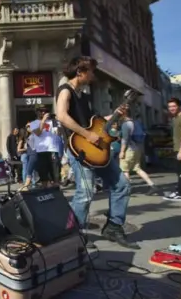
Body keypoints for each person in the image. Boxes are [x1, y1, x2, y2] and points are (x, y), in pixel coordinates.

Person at [55, 56, 138, 250]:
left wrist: (116, 115)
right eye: (91, 71)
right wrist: (86, 134)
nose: (93, 75)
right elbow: (61, 115)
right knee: (85, 192)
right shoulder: (65, 90)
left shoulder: (84, 96)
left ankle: (114, 227)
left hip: (98, 150)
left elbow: (96, 124)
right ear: (80, 72)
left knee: (122, 185)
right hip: (80, 150)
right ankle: (74, 236)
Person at [119, 109, 159, 195]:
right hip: (137, 148)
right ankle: (152, 185)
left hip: (128, 149)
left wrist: (122, 151)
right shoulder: (135, 122)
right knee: (137, 168)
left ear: (124, 114)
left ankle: (126, 190)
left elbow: (125, 139)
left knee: (124, 170)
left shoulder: (125, 124)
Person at [29, 106, 61, 187]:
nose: (43, 112)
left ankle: (57, 190)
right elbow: (38, 133)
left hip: (53, 149)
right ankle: (45, 190)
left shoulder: (53, 121)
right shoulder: (33, 123)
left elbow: (58, 133)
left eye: (45, 111)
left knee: (55, 173)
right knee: (43, 173)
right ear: (37, 112)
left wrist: (57, 120)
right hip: (41, 151)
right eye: (41, 110)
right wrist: (43, 121)